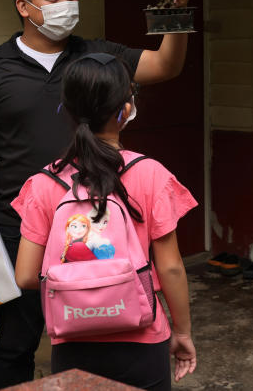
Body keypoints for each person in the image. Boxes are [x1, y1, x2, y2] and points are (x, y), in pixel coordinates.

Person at [0, 0, 193, 389]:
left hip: (97, 226)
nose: (67, 4)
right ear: (25, 7)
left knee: (95, 333)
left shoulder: (95, 56)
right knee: (15, 344)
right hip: (19, 225)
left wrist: (174, 14)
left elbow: (166, 66)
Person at [12, 52, 197, 390]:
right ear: (124, 110)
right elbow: (170, 268)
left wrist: (83, 289)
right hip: (143, 338)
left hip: (73, 338)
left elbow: (25, 275)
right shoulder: (150, 174)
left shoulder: (43, 183)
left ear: (66, 110)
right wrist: (182, 333)